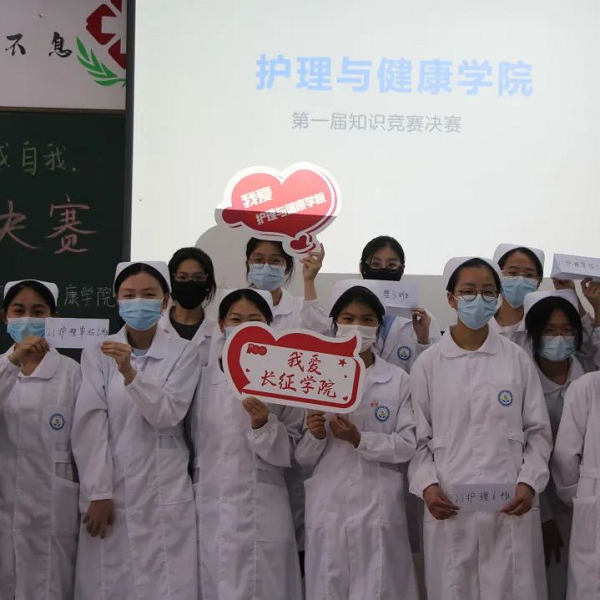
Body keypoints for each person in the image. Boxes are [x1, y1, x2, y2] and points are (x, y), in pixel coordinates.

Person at [408, 256, 552, 600]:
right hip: (451, 505)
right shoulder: (428, 364)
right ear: (451, 298)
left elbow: (538, 432)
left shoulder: (516, 359)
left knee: (513, 588)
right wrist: (428, 486)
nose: (479, 299)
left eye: (488, 292)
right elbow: (417, 438)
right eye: (469, 291)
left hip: (510, 506)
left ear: (498, 299)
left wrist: (529, 482)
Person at [72, 261, 200, 600]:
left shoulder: (184, 353)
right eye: (129, 295)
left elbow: (168, 414)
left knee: (167, 584)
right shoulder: (96, 353)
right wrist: (99, 491)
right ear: (117, 300)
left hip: (165, 490)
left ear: (165, 301)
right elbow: (90, 424)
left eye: (148, 294)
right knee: (109, 583)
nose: (138, 302)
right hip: (114, 490)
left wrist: (129, 372)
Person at [296, 285, 418, 600]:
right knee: (328, 586)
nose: (357, 326)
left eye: (367, 319)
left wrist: (359, 439)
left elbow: (407, 444)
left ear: (378, 326)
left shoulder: (398, 380)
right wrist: (316, 435)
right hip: (328, 503)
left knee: (381, 586)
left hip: (377, 503)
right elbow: (303, 458)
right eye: (348, 318)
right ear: (335, 323)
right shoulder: (314, 376)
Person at [192, 288, 303, 600]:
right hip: (212, 506)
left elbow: (293, 449)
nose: (243, 328)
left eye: (253, 320)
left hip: (262, 505)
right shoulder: (202, 377)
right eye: (235, 320)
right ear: (221, 324)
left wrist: (264, 425)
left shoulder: (284, 377)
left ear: (268, 325)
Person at [0, 279, 81, 599]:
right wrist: (12, 363)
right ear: (5, 316)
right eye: (19, 311)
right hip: (6, 501)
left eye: (38, 312)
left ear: (54, 318)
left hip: (52, 506)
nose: (28, 319)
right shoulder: (2, 367)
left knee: (50, 585)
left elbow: (88, 443)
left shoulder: (72, 372)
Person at [302, 236, 441, 373]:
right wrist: (309, 281)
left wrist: (423, 341)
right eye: (375, 264)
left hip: (402, 387)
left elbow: (435, 370)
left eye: (391, 265)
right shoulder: (346, 312)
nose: (384, 270)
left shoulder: (422, 320)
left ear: (402, 269)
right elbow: (316, 331)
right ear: (362, 268)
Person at [524, 290, 585, 600]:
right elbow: (526, 453)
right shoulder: (523, 381)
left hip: (588, 497)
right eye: (549, 331)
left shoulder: (589, 377)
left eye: (567, 330)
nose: (559, 338)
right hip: (541, 499)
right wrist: (544, 517)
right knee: (551, 580)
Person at [552, 370, 600, 600]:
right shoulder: (588, 386)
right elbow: (564, 457)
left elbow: (566, 455)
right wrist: (581, 498)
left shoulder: (587, 386)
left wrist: (579, 497)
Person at [159, 247, 217, 366]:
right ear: (171, 281)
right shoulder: (155, 327)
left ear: (208, 282)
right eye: (182, 277)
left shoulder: (217, 332)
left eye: (198, 277)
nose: (190, 283)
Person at [490, 243, 545, 349]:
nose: (520, 280)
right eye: (512, 272)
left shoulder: (544, 327)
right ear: (497, 277)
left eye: (529, 275)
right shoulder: (481, 324)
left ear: (538, 282)